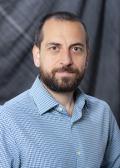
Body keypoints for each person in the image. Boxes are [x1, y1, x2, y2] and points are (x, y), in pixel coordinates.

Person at [0, 11, 120, 168]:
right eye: (54, 48)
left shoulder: (102, 113)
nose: (66, 60)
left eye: (76, 49)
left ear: (87, 57)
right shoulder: (7, 120)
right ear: (37, 55)